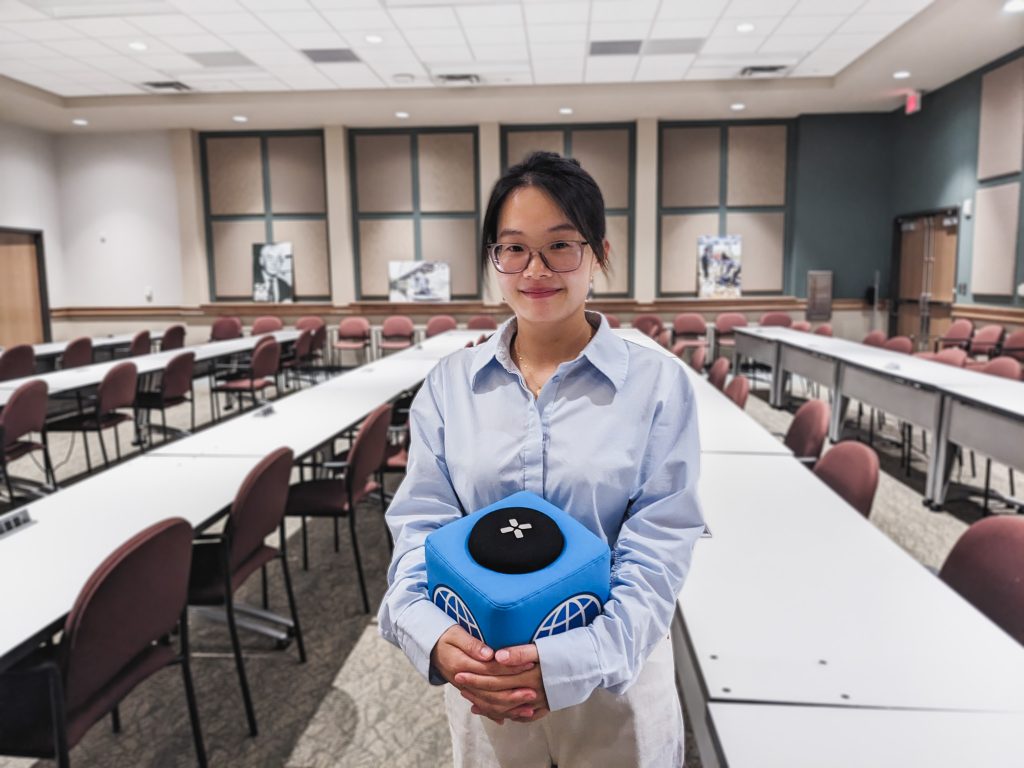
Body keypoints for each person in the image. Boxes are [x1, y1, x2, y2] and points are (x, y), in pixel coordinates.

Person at [378, 151, 704, 767]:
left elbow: (660, 546)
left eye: (561, 245)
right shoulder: (451, 386)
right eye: (513, 249)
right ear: (494, 259)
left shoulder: (657, 385)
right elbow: (419, 528)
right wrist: (431, 636)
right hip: (485, 681)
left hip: (615, 685)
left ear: (598, 253)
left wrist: (569, 664)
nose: (537, 269)